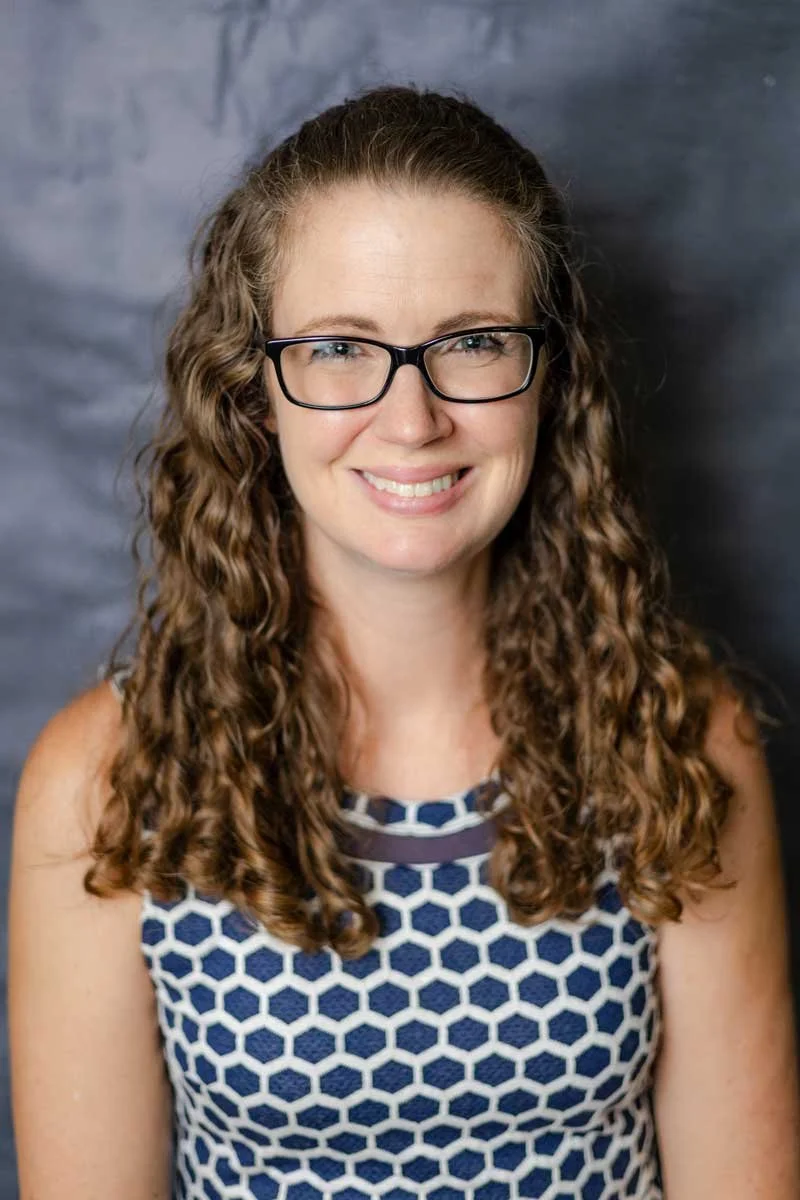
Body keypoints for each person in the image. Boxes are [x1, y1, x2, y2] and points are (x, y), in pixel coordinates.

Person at [8, 82, 799, 1200]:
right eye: (340, 347)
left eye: (471, 343)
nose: (412, 417)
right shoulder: (104, 784)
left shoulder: (678, 741)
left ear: (550, 378)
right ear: (253, 390)